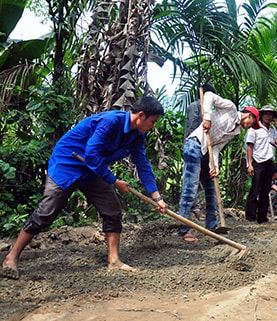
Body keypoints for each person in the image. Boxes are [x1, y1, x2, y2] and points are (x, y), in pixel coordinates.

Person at [1, 96, 168, 280]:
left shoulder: (138, 136)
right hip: (68, 163)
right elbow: (91, 153)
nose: (153, 127)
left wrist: (157, 198)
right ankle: (11, 258)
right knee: (45, 213)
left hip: (93, 169)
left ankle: (114, 260)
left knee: (111, 209)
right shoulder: (110, 121)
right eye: (153, 122)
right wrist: (113, 181)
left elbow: (142, 164)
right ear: (141, 115)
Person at [179, 90, 260, 242]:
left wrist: (214, 166)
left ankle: (212, 226)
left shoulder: (235, 131)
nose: (250, 127)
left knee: (211, 190)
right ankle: (184, 230)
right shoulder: (230, 108)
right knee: (190, 190)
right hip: (194, 145)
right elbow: (208, 95)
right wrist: (207, 118)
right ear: (249, 115)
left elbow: (216, 147)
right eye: (252, 123)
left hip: (206, 153)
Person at [183, 85, 217, 222]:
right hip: (194, 145)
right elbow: (192, 127)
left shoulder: (210, 110)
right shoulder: (195, 106)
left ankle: (197, 207)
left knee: (204, 179)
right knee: (192, 179)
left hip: (204, 147)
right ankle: (193, 208)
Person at [245, 105, 277, 223]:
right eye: (266, 114)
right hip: (257, 162)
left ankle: (262, 217)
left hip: (269, 162)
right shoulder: (254, 129)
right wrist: (249, 164)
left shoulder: (272, 130)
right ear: (261, 115)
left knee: (265, 191)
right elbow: (249, 147)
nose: (268, 116)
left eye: (270, 114)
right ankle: (250, 217)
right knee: (255, 190)